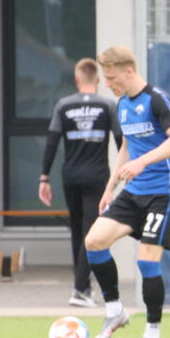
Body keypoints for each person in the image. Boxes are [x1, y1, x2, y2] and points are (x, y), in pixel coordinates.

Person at [83, 46, 170, 338]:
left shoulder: (156, 99)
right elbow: (127, 147)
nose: (108, 84)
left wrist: (143, 163)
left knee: (146, 260)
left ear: (129, 71)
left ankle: (152, 337)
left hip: (163, 192)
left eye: (112, 78)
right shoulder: (122, 105)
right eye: (105, 78)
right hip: (133, 193)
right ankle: (115, 310)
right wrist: (110, 188)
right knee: (94, 241)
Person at [38, 58, 122, 307]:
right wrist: (123, 175)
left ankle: (83, 287)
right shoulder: (108, 105)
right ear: (98, 80)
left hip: (70, 176)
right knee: (91, 232)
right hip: (97, 176)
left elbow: (52, 141)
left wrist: (44, 177)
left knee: (77, 231)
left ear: (77, 79)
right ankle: (79, 290)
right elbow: (122, 142)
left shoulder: (63, 105)